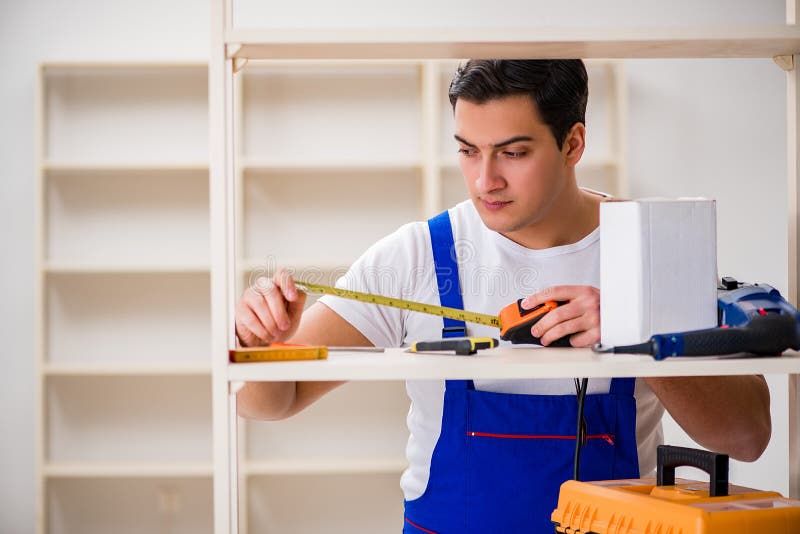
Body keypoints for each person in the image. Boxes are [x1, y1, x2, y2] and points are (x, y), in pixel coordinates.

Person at [235, 59, 771, 533]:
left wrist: (641, 327)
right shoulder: (416, 256)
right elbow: (271, 403)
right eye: (468, 151)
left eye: (512, 153)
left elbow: (748, 437)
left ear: (573, 144)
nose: (484, 180)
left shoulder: (654, 248)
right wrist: (260, 347)